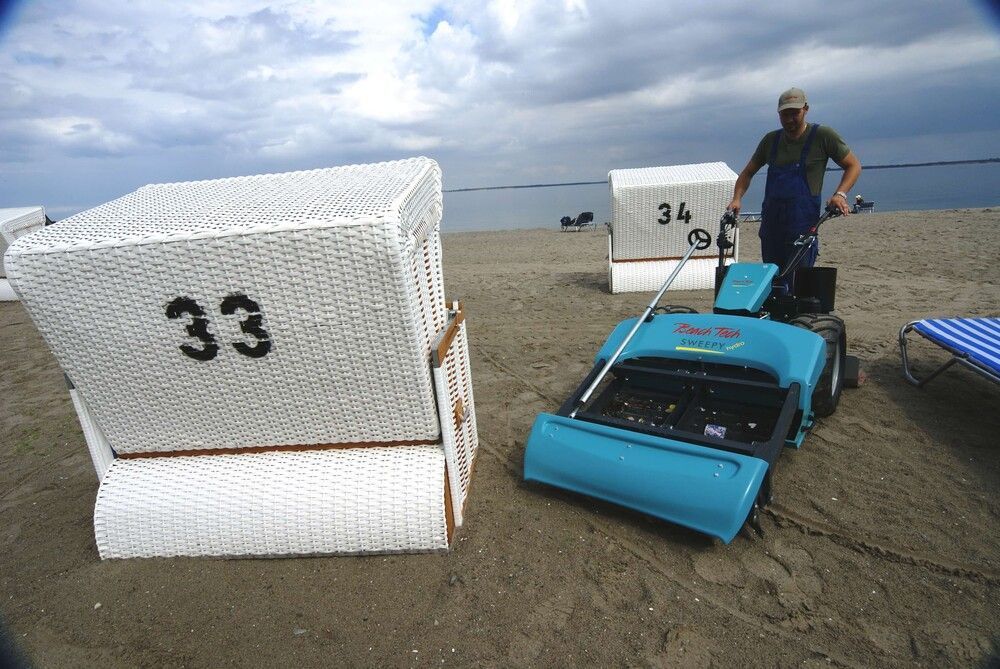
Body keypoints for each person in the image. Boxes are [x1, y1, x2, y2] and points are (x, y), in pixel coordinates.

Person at [727, 87, 861, 276]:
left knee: (798, 284)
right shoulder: (771, 141)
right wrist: (737, 198)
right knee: (772, 282)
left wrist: (840, 194)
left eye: (795, 113)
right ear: (778, 113)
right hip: (772, 226)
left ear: (806, 109)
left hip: (802, 226)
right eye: (785, 114)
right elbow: (748, 173)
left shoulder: (823, 136)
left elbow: (854, 166)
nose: (790, 119)